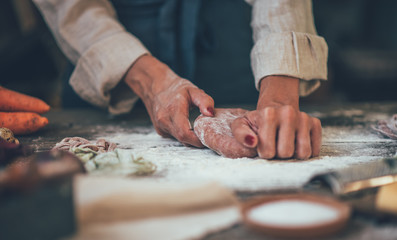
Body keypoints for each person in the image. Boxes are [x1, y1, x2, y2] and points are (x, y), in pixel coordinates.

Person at [33, 0, 328, 160]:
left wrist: (277, 94)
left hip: (235, 53)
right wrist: (150, 80)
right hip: (110, 73)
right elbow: (72, 8)